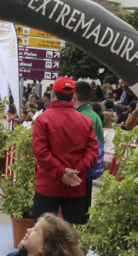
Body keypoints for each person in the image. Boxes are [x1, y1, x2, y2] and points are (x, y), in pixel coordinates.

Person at [32, 77, 98, 226]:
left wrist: (62, 172)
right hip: (76, 185)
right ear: (73, 97)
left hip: (48, 185)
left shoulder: (43, 120)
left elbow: (41, 151)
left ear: (53, 94)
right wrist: (76, 170)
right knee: (74, 236)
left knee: (44, 235)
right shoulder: (86, 121)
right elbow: (93, 152)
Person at [72, 80, 104, 217]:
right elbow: (100, 143)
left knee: (77, 207)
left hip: (77, 167)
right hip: (89, 166)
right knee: (85, 204)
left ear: (74, 95)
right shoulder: (95, 116)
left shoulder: (79, 116)